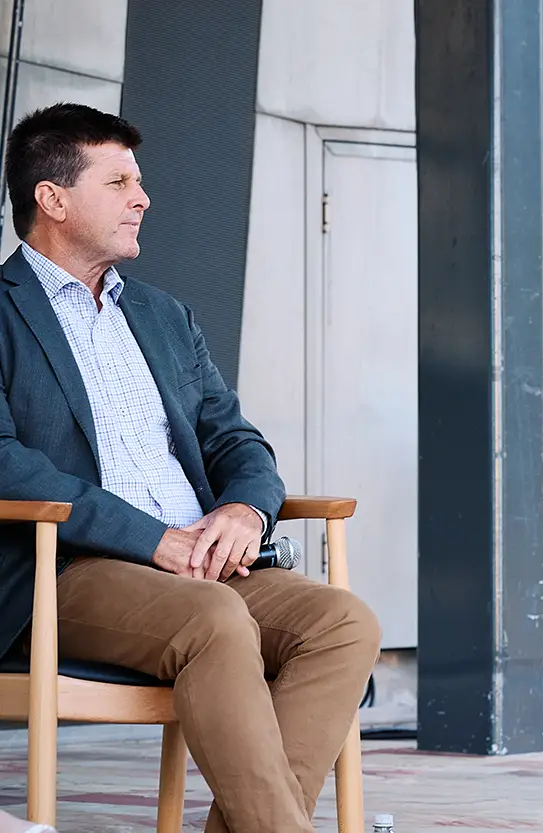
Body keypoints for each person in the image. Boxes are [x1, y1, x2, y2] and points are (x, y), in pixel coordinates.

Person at [0, 103, 380, 833]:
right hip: (70, 568)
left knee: (343, 622)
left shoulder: (164, 317)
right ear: (52, 198)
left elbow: (239, 442)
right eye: (118, 182)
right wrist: (153, 538)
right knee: (214, 618)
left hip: (204, 563)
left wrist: (245, 510)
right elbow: (4, 463)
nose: (142, 198)